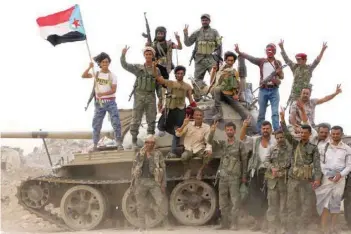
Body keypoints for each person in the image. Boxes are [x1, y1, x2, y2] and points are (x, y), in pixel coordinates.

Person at [280, 108, 322, 234]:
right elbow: (287, 134)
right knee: (291, 204)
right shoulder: (295, 144)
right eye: (301, 132)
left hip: (306, 180)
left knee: (306, 205)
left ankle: (302, 228)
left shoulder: (314, 148)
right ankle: (290, 229)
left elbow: (317, 165)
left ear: (309, 134)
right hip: (293, 179)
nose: (303, 134)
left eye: (305, 133)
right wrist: (282, 120)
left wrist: (318, 179)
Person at [235, 43, 284, 133]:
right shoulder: (262, 61)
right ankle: (259, 132)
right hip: (263, 89)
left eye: (271, 50)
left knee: (275, 112)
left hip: (274, 89)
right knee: (261, 113)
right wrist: (239, 52)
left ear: (274, 51)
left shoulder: (277, 63)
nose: (269, 52)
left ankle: (277, 130)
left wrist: (277, 75)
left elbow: (281, 77)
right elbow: (251, 58)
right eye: (268, 50)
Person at [120, 46, 163, 149]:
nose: (148, 56)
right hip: (139, 96)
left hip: (151, 97)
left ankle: (150, 141)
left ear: (153, 56)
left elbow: (159, 85)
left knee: (151, 120)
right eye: (146, 54)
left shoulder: (156, 70)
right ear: (144, 55)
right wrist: (123, 55)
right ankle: (134, 141)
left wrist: (160, 99)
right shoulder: (138, 68)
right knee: (136, 119)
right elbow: (125, 65)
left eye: (150, 54)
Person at [240, 117, 276, 231]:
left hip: (270, 173)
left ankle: (266, 223)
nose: (265, 130)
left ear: (271, 129)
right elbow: (242, 138)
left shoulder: (275, 141)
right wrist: (244, 126)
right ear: (261, 129)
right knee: (255, 198)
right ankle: (258, 222)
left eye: (267, 128)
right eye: (263, 128)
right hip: (256, 172)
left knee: (267, 198)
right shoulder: (256, 140)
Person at [81, 52, 123, 151]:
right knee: (96, 124)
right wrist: (89, 67)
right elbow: (83, 75)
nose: (105, 64)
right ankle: (95, 144)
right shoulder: (97, 74)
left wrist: (103, 94)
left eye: (107, 62)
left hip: (110, 102)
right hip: (99, 103)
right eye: (103, 62)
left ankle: (119, 143)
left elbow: (113, 90)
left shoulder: (112, 76)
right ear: (100, 63)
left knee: (116, 122)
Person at [210, 121, 248, 230]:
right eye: (227, 130)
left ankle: (234, 223)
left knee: (235, 200)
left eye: (231, 130)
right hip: (223, 176)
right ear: (225, 131)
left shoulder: (240, 144)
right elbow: (210, 143)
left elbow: (244, 161)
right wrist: (212, 132)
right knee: (223, 200)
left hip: (235, 176)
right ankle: (224, 223)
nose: (229, 131)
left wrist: (244, 176)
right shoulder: (223, 144)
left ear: (235, 131)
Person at [154, 64, 196, 157]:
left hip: (180, 110)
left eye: (182, 73)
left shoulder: (187, 86)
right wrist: (155, 68)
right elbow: (160, 80)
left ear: (184, 74)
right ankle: (164, 130)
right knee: (161, 125)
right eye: (178, 73)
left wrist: (195, 109)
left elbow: (190, 99)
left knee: (177, 132)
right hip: (170, 108)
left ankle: (173, 152)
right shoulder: (171, 83)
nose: (180, 75)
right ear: (175, 74)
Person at [315, 126, 351, 234]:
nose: (335, 136)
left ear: (342, 134)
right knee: (325, 203)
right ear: (331, 134)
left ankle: (333, 228)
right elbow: (320, 162)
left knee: (335, 204)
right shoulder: (323, 147)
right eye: (333, 134)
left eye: (337, 134)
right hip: (327, 178)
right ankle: (323, 228)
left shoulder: (347, 149)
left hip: (340, 179)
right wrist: (328, 173)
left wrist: (341, 174)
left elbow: (349, 165)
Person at [130, 134, 168, 230]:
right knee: (140, 205)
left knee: (161, 202)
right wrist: (132, 183)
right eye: (148, 142)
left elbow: (163, 168)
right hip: (141, 182)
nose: (150, 144)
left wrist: (163, 183)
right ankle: (142, 226)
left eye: (152, 142)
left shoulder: (158, 154)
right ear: (145, 143)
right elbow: (134, 168)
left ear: (154, 144)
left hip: (153, 182)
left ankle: (166, 223)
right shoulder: (140, 153)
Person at [278, 40, 328, 107]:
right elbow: (287, 60)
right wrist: (282, 48)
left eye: (299, 59)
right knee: (292, 115)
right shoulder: (295, 68)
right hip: (294, 96)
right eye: (297, 59)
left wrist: (322, 50)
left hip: (303, 97)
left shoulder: (309, 69)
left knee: (302, 115)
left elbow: (317, 61)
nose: (297, 61)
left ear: (305, 60)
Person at [184, 14, 222, 100]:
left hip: (211, 59)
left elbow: (219, 45)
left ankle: (217, 97)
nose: (204, 22)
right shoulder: (197, 32)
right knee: (197, 80)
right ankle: (198, 99)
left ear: (209, 21)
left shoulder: (215, 32)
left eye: (206, 20)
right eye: (203, 20)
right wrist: (185, 34)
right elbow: (188, 43)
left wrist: (219, 59)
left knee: (216, 78)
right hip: (199, 60)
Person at [210, 51, 252, 124]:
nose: (230, 62)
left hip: (229, 94)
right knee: (216, 89)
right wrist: (213, 71)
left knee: (246, 113)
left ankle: (249, 127)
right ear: (225, 60)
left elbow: (239, 85)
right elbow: (213, 82)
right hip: (219, 93)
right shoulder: (220, 69)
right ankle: (219, 113)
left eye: (232, 61)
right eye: (228, 60)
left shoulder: (234, 72)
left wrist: (237, 95)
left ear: (234, 61)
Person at [263, 130, 291, 234]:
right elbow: (265, 161)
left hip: (284, 182)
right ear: (275, 138)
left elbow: (292, 164)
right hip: (273, 183)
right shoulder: (271, 148)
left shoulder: (289, 149)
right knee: (272, 206)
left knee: (284, 206)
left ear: (284, 137)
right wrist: (272, 168)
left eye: (281, 137)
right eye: (277, 138)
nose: (279, 140)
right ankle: (272, 227)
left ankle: (283, 227)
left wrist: (285, 171)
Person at [175, 108, 212, 180]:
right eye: (197, 115)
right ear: (193, 116)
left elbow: (208, 141)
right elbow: (178, 134)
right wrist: (183, 125)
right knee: (184, 156)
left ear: (203, 117)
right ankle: (188, 170)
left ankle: (200, 171)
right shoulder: (188, 125)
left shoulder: (206, 127)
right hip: (189, 148)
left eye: (200, 115)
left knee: (208, 155)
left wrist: (208, 149)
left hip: (199, 148)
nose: (198, 117)